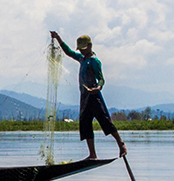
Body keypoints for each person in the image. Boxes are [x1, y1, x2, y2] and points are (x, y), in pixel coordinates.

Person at [51, 30, 127, 160]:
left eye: (84, 49)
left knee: (105, 121)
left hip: (94, 96)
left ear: (90, 46)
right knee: (85, 124)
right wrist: (58, 38)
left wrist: (98, 87)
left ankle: (121, 144)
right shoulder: (81, 59)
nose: (81, 51)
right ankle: (92, 154)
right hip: (85, 98)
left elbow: (101, 78)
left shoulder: (94, 61)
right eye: (80, 49)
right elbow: (69, 52)